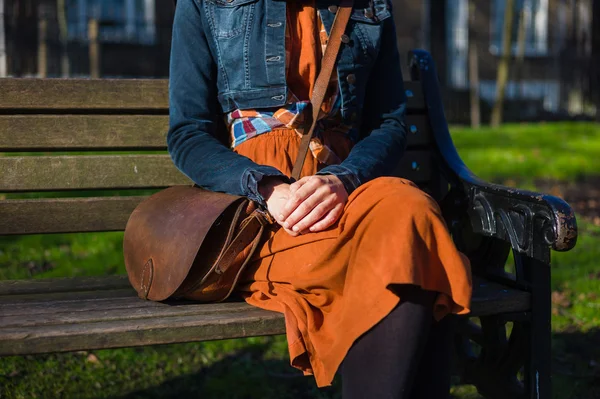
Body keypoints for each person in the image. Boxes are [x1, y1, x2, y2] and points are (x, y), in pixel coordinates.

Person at [167, 0, 472, 397]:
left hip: (349, 193)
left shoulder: (370, 4)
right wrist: (266, 188)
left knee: (410, 211)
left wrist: (343, 179)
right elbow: (188, 134)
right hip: (264, 215)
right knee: (408, 249)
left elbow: (389, 124)